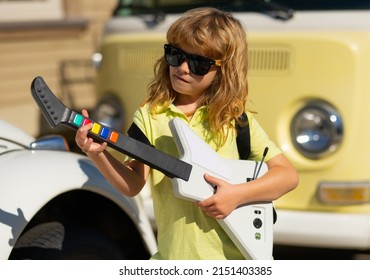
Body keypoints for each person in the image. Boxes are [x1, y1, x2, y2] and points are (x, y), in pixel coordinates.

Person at [75, 7, 299, 260]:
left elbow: (287, 176)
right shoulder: (150, 116)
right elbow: (132, 185)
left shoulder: (234, 119)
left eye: (198, 64)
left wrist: (237, 196)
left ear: (223, 71)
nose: (182, 68)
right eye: (175, 55)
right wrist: (97, 155)